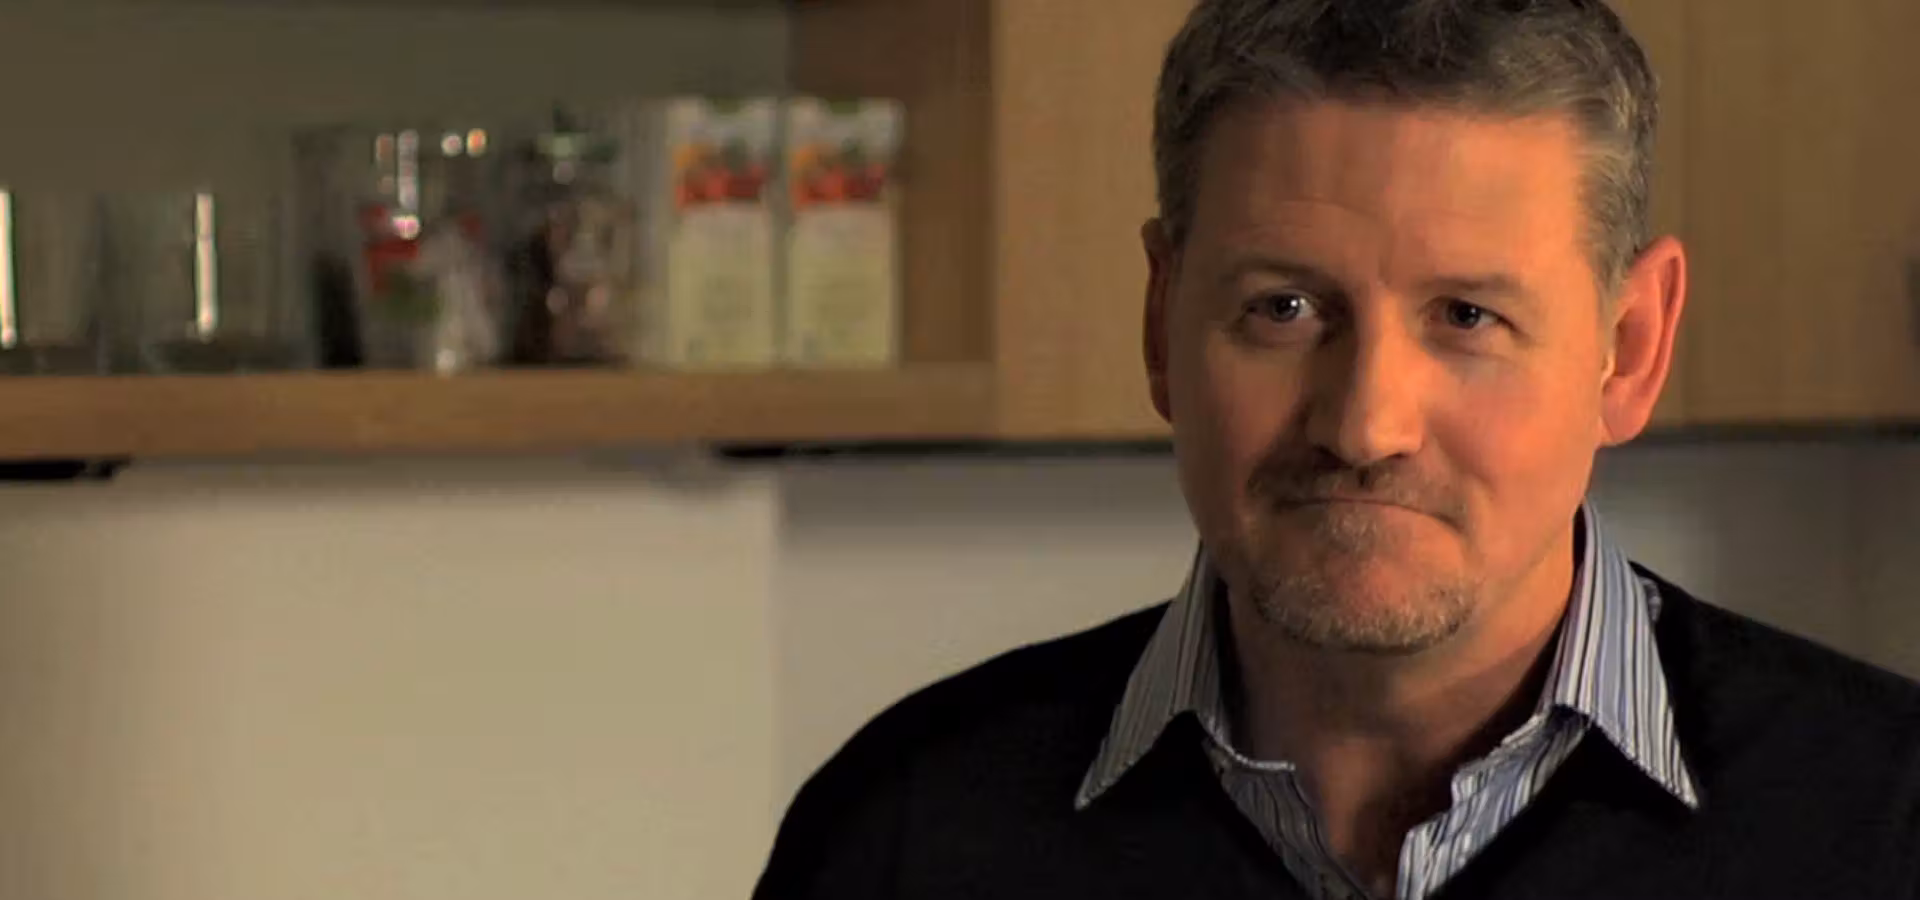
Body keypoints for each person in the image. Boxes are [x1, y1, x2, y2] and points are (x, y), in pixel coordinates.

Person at [753, 0, 1920, 897]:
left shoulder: (1890, 824)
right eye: (1285, 310)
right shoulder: (907, 835)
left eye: (1468, 317)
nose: (1365, 426)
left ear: (1629, 348)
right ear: (1161, 324)